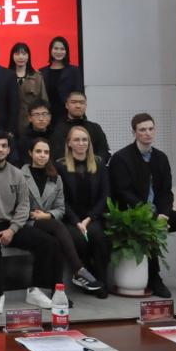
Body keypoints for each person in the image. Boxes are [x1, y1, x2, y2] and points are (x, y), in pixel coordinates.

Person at [110, 113, 176, 297]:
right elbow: (123, 192)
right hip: (134, 214)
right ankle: (154, 278)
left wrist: (164, 214)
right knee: (149, 226)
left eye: (151, 129)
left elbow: (166, 192)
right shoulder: (122, 158)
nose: (147, 133)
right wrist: (151, 214)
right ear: (134, 132)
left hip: (159, 213)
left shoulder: (161, 158)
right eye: (142, 130)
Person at [0, 131, 60, 314]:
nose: (0, 149)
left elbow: (23, 206)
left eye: (4, 146)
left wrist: (13, 229)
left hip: (10, 224)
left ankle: (35, 290)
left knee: (48, 243)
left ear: (8, 150)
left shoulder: (17, 174)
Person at [20, 137, 102, 295]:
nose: (42, 155)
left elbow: (60, 208)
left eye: (46, 152)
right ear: (30, 153)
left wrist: (47, 215)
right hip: (26, 222)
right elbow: (14, 204)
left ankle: (57, 292)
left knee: (57, 242)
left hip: (48, 223)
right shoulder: (19, 175)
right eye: (38, 151)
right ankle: (78, 270)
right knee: (57, 227)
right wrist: (34, 215)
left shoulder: (55, 177)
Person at [56, 126, 111, 298]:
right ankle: (88, 280)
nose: (81, 143)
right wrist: (76, 221)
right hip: (70, 218)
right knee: (79, 239)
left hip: (93, 217)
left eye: (84, 140)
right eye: (77, 140)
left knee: (99, 237)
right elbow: (61, 199)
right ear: (69, 143)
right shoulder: (60, 166)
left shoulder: (99, 163)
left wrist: (89, 218)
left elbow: (105, 195)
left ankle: (101, 280)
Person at [50, 92, 112, 163]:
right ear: (66, 105)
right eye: (74, 102)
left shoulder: (95, 128)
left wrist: (92, 165)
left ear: (86, 105)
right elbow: (57, 154)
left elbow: (104, 152)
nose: (78, 106)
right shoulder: (58, 129)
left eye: (82, 102)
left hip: (93, 168)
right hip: (66, 168)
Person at [39, 36, 83, 121]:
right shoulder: (42, 72)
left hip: (68, 116)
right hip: (47, 117)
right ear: (50, 50)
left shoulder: (74, 71)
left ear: (66, 51)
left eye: (62, 49)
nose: (59, 52)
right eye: (56, 48)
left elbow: (78, 94)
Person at [8, 42, 49, 129]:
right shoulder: (5, 75)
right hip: (10, 122)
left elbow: (44, 101)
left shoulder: (37, 77)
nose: (21, 57)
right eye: (17, 54)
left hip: (31, 123)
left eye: (24, 54)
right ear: (12, 56)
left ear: (28, 56)